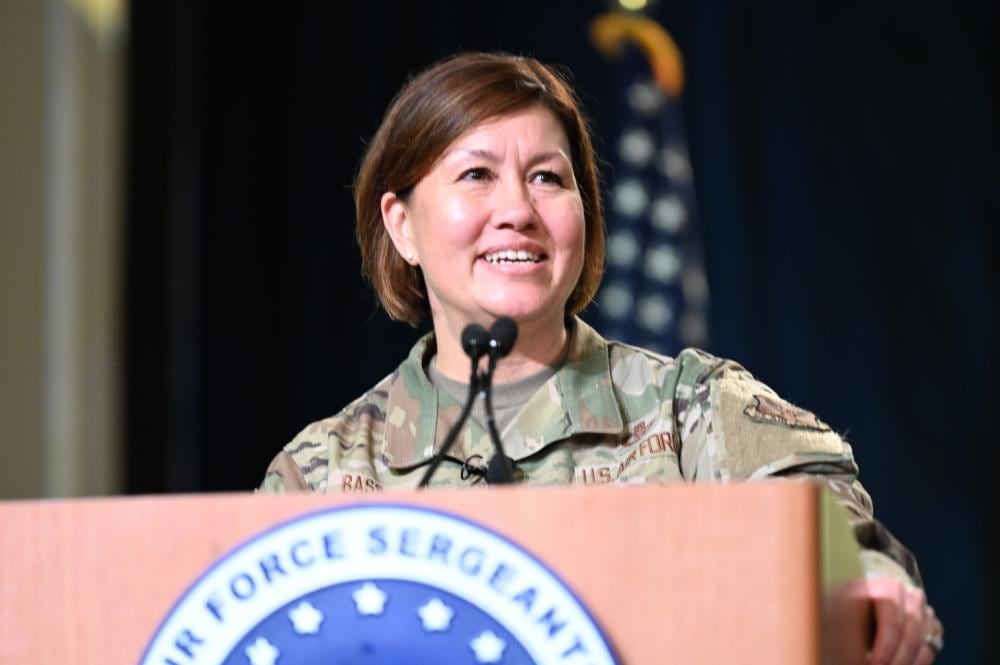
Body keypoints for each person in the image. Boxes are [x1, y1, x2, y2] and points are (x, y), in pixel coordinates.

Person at [258, 52, 942, 664]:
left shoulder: (693, 406)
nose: (518, 210)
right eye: (477, 174)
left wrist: (867, 579)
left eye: (548, 179)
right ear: (401, 224)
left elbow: (831, 532)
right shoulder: (323, 470)